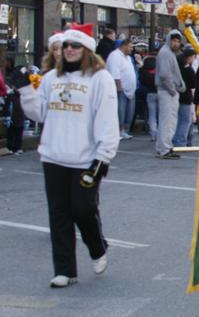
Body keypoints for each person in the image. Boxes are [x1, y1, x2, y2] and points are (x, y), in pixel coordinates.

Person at [13, 23, 118, 288]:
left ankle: (97, 247)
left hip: (86, 158)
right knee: (59, 214)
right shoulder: (51, 79)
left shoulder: (99, 78)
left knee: (83, 209)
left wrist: (103, 157)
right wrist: (25, 90)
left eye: (75, 46)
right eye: (65, 46)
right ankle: (65, 269)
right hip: (53, 156)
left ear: (87, 49)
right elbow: (39, 113)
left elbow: (107, 120)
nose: (68, 50)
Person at [154, 30, 184, 159]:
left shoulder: (167, 52)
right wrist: (172, 89)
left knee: (167, 121)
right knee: (168, 121)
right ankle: (165, 148)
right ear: (169, 40)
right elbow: (165, 75)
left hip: (167, 90)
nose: (176, 44)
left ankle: (163, 147)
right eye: (174, 41)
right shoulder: (166, 53)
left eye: (178, 41)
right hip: (167, 91)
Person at [106, 35, 136, 140]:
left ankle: (124, 130)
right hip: (121, 89)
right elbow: (115, 74)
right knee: (120, 111)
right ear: (124, 46)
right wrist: (119, 88)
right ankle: (117, 131)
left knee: (128, 112)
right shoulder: (115, 56)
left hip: (130, 90)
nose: (132, 49)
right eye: (130, 47)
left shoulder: (128, 58)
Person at [173, 46, 197, 148]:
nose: (194, 59)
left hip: (176, 96)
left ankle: (175, 139)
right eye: (193, 57)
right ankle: (181, 141)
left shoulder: (177, 68)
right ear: (190, 57)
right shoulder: (189, 69)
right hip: (186, 97)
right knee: (185, 121)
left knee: (178, 120)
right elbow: (193, 84)